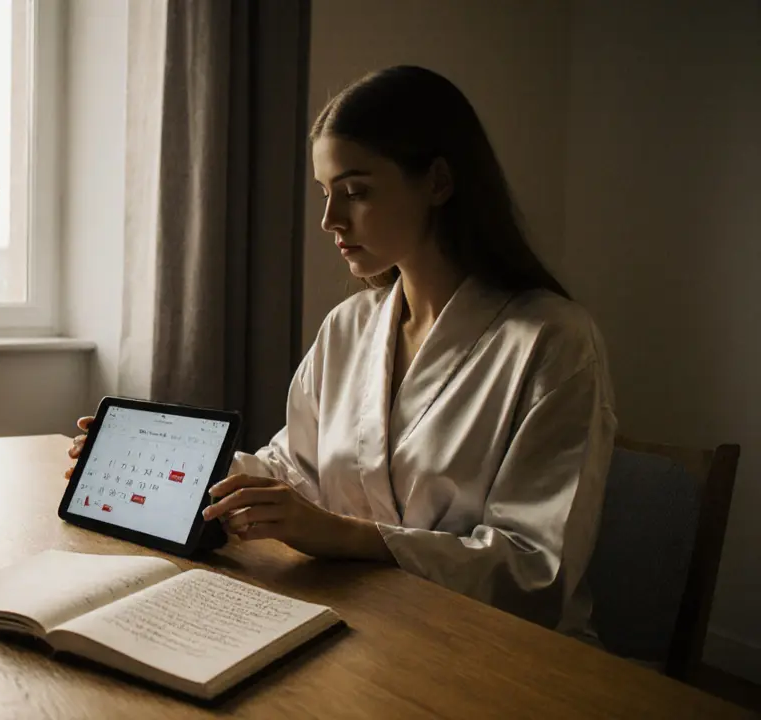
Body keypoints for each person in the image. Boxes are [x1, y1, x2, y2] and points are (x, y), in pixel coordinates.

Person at [66, 66, 616, 637]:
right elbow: (292, 470)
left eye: (355, 192)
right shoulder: (350, 327)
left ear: (438, 182)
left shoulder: (552, 341)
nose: (330, 221)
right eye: (326, 194)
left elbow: (537, 571)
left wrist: (342, 534)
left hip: (495, 649)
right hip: (362, 618)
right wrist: (156, 471)